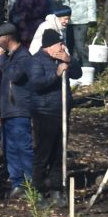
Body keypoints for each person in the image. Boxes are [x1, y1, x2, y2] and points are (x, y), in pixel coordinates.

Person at [24, 29, 78, 196]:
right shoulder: (36, 61)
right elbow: (37, 84)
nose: (62, 46)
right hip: (44, 113)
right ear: (49, 46)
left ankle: (56, 187)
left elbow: (78, 73)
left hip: (61, 112)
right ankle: (38, 189)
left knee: (59, 152)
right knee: (43, 152)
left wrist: (69, 61)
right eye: (59, 44)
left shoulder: (62, 58)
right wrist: (57, 73)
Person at [0, 24, 33, 196]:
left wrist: (1, 60)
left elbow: (15, 76)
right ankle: (16, 181)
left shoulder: (23, 56)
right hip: (7, 110)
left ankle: (30, 182)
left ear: (7, 38)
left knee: (23, 146)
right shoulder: (9, 58)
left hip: (20, 109)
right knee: (9, 148)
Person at [57, 0, 98, 85]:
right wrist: (58, 18)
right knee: (69, 46)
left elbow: (91, 0)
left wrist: (92, 18)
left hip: (82, 19)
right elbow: (59, 3)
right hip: (67, 22)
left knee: (80, 46)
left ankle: (87, 70)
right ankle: (73, 72)